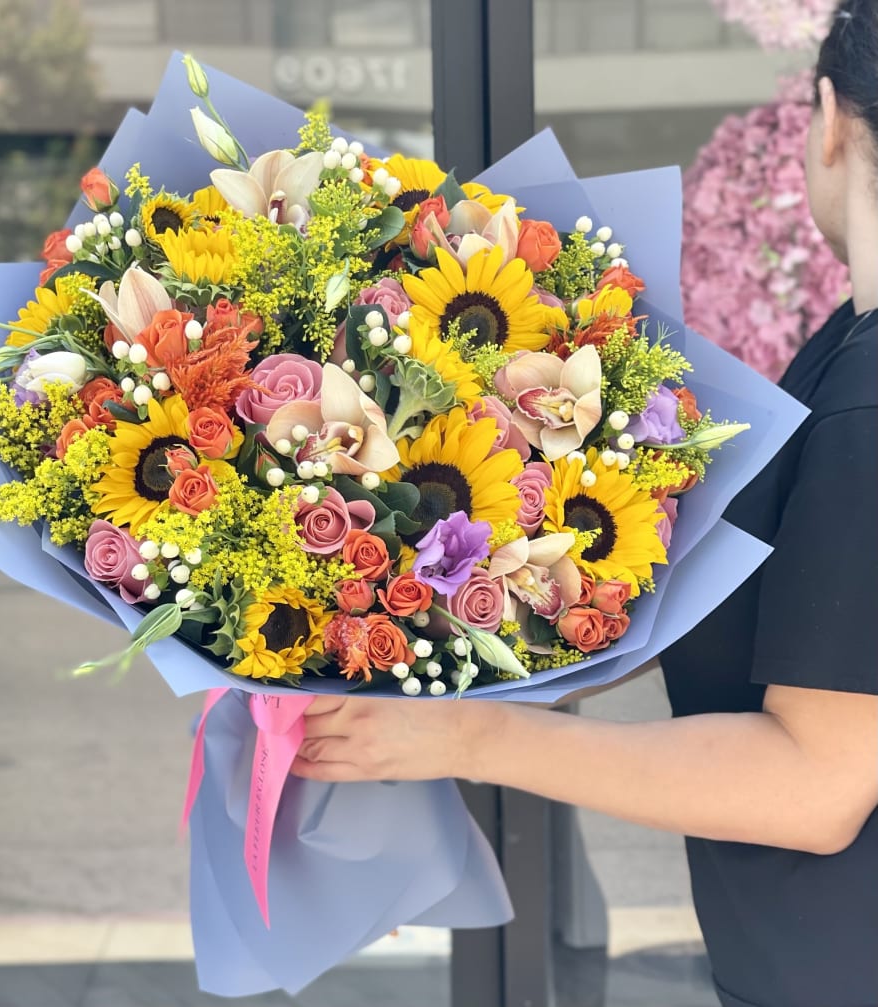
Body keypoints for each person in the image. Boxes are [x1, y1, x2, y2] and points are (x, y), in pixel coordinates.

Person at [292, 3, 878, 1004]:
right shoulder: (842, 345)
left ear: (827, 119)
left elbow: (814, 786)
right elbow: (759, 611)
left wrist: (468, 738)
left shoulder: (865, 397)